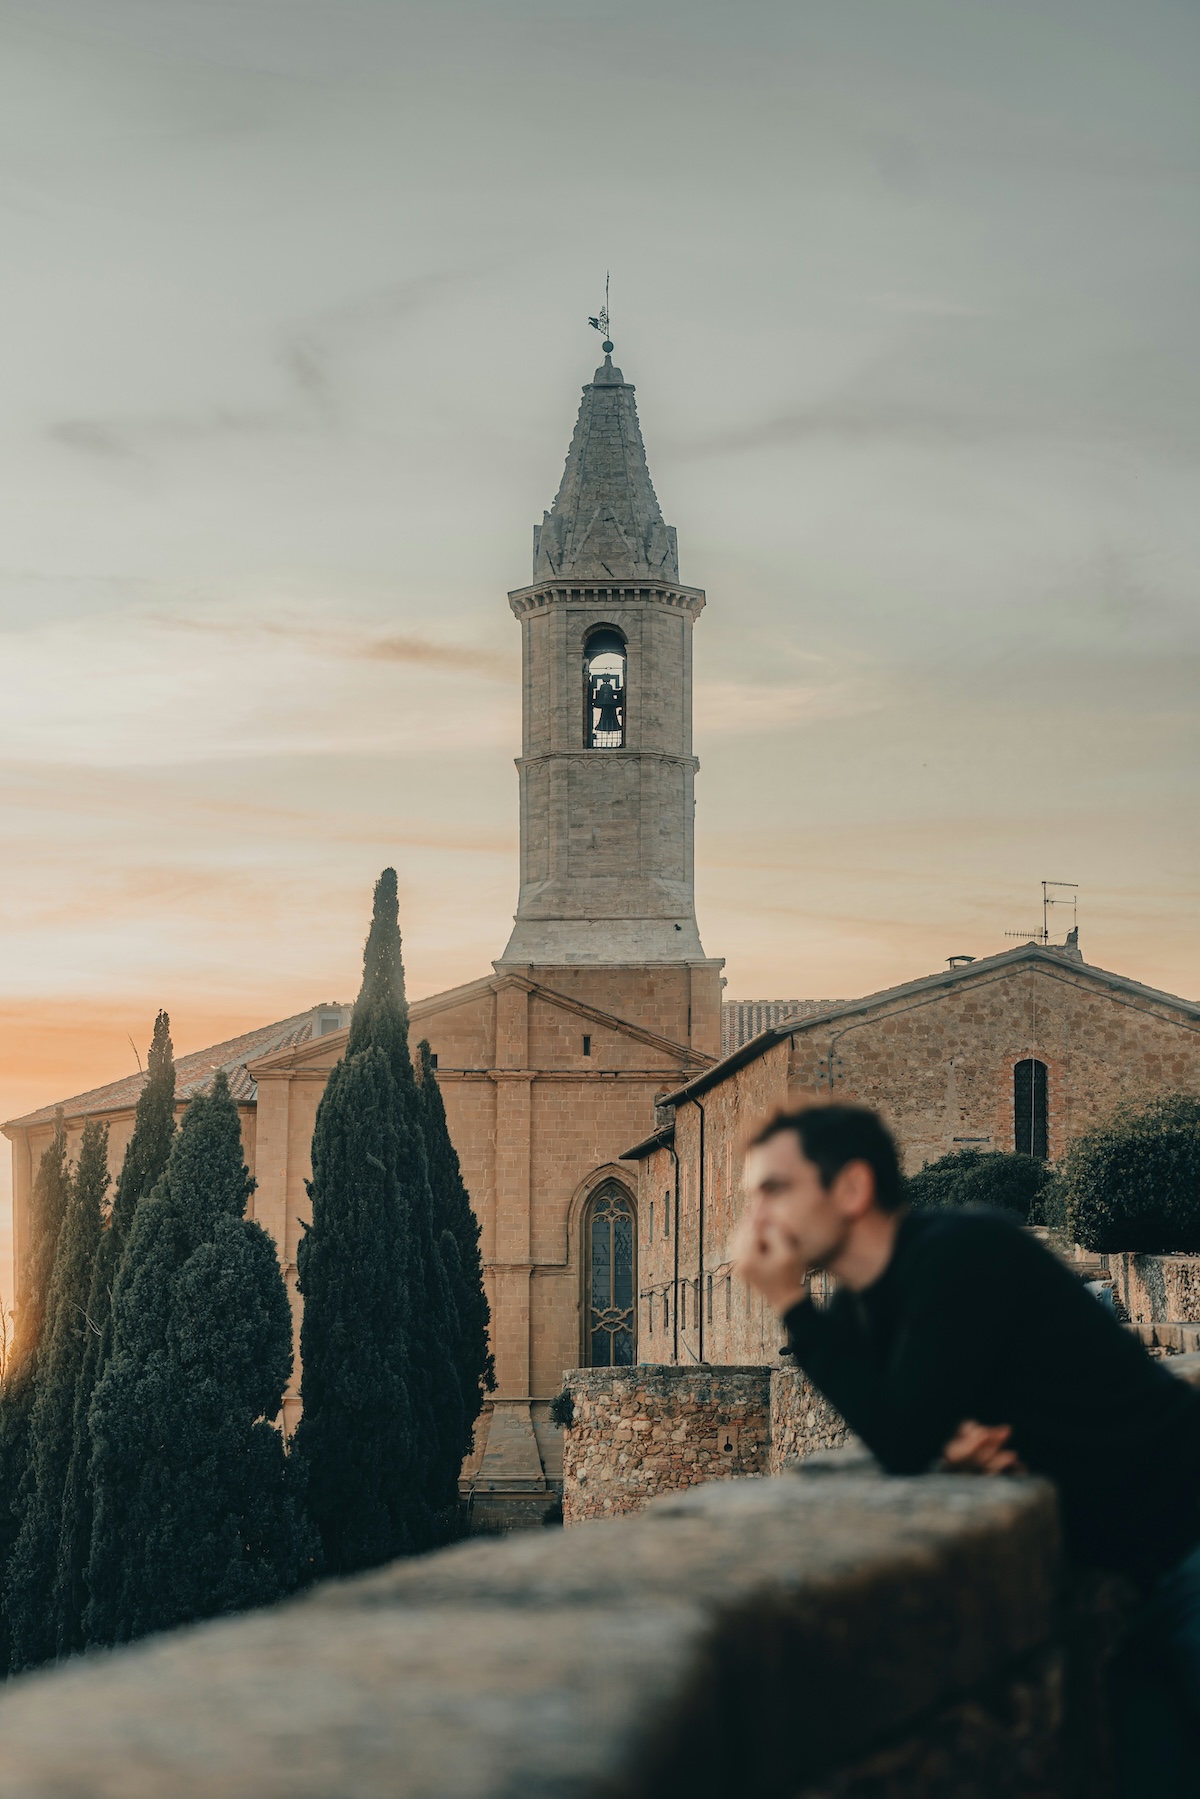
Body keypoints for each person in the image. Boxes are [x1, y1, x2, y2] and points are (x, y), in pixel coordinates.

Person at [732, 1102, 1200, 1785]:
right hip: (1140, 1573)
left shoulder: (958, 1252)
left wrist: (789, 1303)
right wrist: (943, 1441)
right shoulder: (863, 1306)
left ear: (853, 1189)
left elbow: (899, 1438)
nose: (757, 1218)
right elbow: (910, 1423)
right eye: (751, 1197)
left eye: (775, 1189)